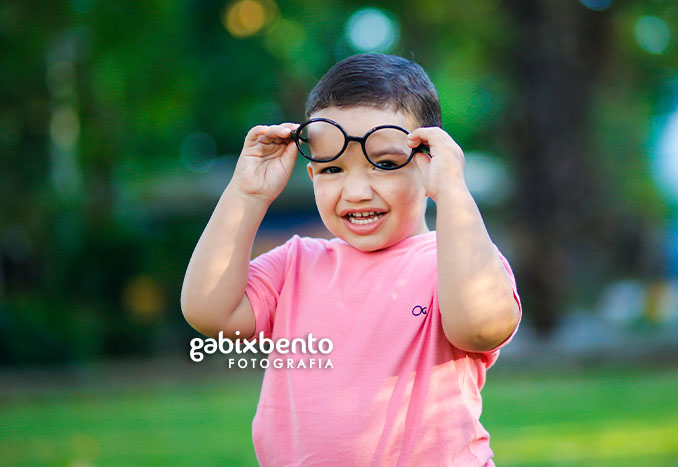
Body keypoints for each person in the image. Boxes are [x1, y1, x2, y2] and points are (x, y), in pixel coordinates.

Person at [181, 53, 522, 466]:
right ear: (311, 177)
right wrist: (246, 194)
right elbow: (208, 311)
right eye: (331, 170)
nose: (356, 190)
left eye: (385, 163)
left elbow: (480, 328)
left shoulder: (453, 263)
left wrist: (453, 193)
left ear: (430, 164)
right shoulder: (295, 264)